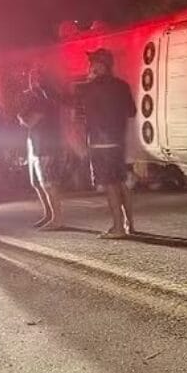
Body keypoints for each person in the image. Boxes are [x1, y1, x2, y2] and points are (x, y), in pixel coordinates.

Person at [76, 48, 136, 238]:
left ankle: (118, 228)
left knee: (110, 184)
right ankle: (129, 225)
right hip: (118, 141)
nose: (89, 67)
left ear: (98, 65)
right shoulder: (122, 85)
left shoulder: (89, 88)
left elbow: (75, 108)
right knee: (120, 182)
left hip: (100, 143)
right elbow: (132, 111)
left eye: (91, 63)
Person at [18, 65, 65, 229]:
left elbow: (31, 121)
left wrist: (21, 117)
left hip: (45, 145)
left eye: (36, 77)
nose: (33, 81)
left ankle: (57, 218)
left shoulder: (43, 97)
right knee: (37, 183)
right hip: (35, 144)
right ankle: (49, 215)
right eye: (31, 77)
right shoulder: (36, 98)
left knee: (48, 182)